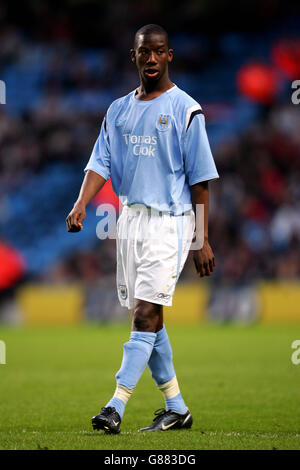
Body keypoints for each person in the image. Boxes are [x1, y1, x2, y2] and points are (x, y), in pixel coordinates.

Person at [66, 24, 219, 434]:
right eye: (143, 52)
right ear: (133, 56)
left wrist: (200, 238)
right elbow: (100, 162)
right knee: (151, 319)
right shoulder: (118, 110)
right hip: (130, 221)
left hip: (169, 222)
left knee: (145, 313)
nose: (150, 59)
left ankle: (115, 406)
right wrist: (81, 203)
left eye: (158, 51)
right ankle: (177, 408)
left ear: (170, 55)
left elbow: (199, 180)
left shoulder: (187, 110)